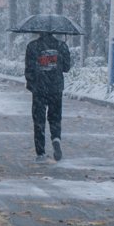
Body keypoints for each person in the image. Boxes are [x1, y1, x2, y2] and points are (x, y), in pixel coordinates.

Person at [24, 32, 72, 163]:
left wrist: (32, 84)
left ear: (39, 32)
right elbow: (67, 68)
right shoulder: (61, 46)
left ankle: (41, 153)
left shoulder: (32, 46)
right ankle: (56, 139)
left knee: (39, 120)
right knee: (55, 117)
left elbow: (28, 69)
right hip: (56, 88)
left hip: (39, 89)